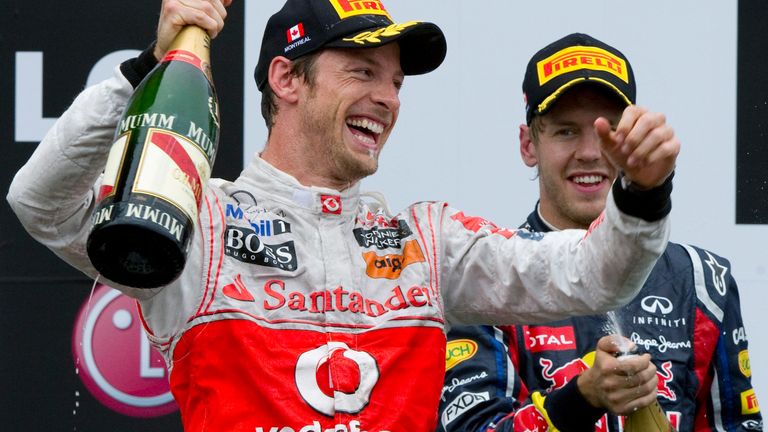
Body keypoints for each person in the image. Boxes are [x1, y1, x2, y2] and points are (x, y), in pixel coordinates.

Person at [7, 0, 680, 429]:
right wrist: (149, 69)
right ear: (287, 80)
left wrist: (642, 196)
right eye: (362, 71)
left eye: (395, 80)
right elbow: (41, 201)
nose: (387, 97)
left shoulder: (427, 239)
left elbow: (592, 277)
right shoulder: (202, 219)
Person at [438, 33, 762, 432]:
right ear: (528, 145)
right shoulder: (483, 279)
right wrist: (581, 398)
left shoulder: (702, 281)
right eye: (566, 131)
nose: (590, 152)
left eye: (606, 130)